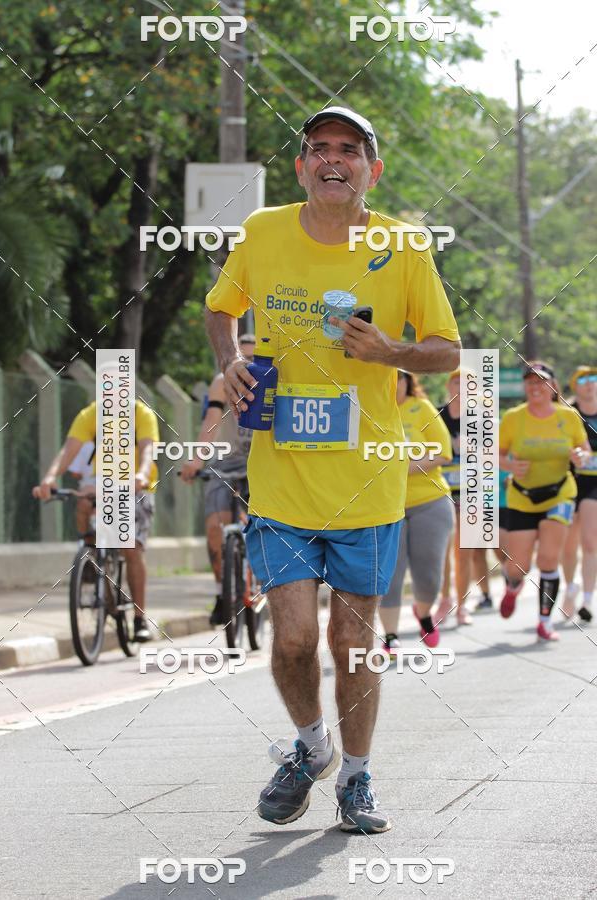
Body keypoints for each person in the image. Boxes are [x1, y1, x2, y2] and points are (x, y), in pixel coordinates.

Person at [204, 105, 460, 833]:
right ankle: (311, 748)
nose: (333, 159)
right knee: (291, 640)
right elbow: (220, 309)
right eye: (319, 149)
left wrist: (392, 353)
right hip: (282, 480)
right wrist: (230, 361)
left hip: (369, 485)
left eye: (349, 149)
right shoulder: (262, 232)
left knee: (353, 643)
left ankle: (356, 776)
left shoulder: (403, 246)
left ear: (371, 170)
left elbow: (447, 348)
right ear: (302, 166)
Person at [32, 398, 159, 642]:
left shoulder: (141, 413)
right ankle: (90, 554)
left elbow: (147, 450)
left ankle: (139, 618)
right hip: (102, 481)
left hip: (135, 484)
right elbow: (68, 450)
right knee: (82, 501)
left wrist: (142, 473)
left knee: (130, 548)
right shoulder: (91, 413)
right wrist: (50, 477)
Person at [498, 361, 590, 641]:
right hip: (523, 497)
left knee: (549, 558)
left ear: (553, 387)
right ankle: (513, 585)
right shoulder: (513, 417)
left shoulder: (568, 417)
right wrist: (510, 467)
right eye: (530, 382)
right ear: (525, 387)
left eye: (541, 381)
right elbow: (494, 455)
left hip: (560, 493)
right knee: (518, 565)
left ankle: (544, 621)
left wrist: (580, 457)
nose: (535, 387)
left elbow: (584, 450)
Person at [181, 334, 255, 625]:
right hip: (225, 462)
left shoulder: (272, 382)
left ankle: (257, 578)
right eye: (242, 358)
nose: (247, 365)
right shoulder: (221, 383)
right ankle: (222, 593)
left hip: (261, 464)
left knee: (262, 524)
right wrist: (197, 459)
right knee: (215, 527)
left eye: (253, 358)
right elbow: (210, 424)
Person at [379, 371, 454, 651]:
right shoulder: (370, 408)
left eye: (398, 377)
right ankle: (390, 636)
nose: (393, 382)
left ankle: (423, 614)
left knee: (428, 574)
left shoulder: (420, 408)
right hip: (386, 506)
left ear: (407, 381)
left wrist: (402, 468)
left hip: (429, 501)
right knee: (390, 573)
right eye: (387, 377)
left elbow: (443, 453)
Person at [436, 370, 474, 625]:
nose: (461, 387)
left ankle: (463, 606)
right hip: (442, 490)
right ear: (449, 386)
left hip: (472, 490)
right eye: (457, 381)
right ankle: (444, 599)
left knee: (465, 551)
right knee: (443, 550)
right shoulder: (437, 415)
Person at [561, 366, 597, 621]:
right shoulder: (568, 413)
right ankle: (570, 587)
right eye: (583, 379)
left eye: (593, 379)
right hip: (570, 481)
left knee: (590, 541)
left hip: (594, 484)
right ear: (575, 385)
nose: (589, 384)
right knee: (568, 543)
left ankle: (587, 599)